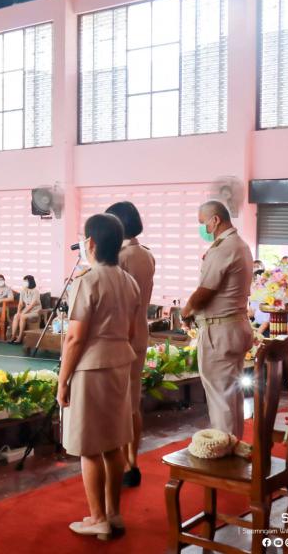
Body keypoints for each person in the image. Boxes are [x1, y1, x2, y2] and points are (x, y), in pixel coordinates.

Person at [56, 213, 141, 539]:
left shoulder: (87, 281)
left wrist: (63, 380)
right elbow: (131, 331)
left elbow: (75, 338)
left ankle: (97, 518)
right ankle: (114, 514)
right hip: (119, 364)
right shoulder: (129, 282)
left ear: (90, 243)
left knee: (90, 446)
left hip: (90, 369)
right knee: (113, 443)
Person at [181, 201, 253, 439]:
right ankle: (234, 443)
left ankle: (225, 448)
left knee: (220, 397)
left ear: (215, 220)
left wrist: (186, 311)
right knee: (231, 395)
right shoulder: (240, 245)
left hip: (220, 331)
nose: (202, 228)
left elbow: (205, 292)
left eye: (202, 222)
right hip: (235, 325)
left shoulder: (223, 248)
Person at [106, 200, 155, 489]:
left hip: (119, 336)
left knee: (117, 403)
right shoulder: (147, 255)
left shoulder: (120, 257)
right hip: (140, 334)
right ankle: (132, 462)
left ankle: (119, 462)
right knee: (133, 401)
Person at [7, 275, 42, 344]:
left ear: (30, 282)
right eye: (24, 281)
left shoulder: (36, 291)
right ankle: (13, 336)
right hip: (26, 311)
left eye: (26, 281)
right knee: (16, 316)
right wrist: (18, 312)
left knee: (22, 316)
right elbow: (20, 304)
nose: (24, 283)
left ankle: (20, 337)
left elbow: (32, 305)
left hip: (35, 311)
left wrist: (22, 313)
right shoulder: (23, 291)